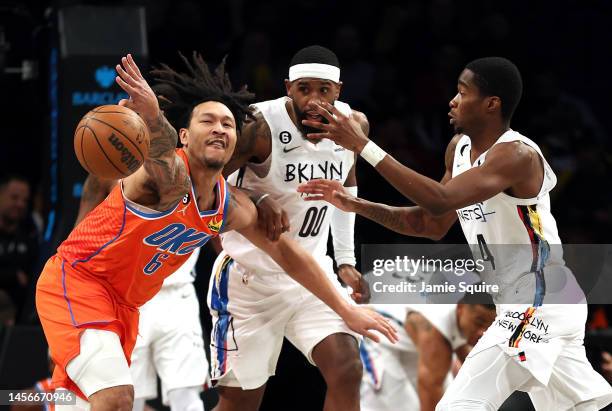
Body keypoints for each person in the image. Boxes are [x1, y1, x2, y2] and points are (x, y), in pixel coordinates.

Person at [35, 53, 396, 411]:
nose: (220, 128)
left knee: (88, 403)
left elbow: (289, 254)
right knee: (117, 399)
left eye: (227, 123)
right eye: (207, 121)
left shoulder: (230, 206)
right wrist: (151, 115)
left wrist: (346, 311)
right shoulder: (167, 179)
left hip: (125, 301)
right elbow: (159, 156)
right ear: (184, 136)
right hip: (80, 281)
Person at [297, 57, 612, 410]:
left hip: (541, 294)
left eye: (463, 92)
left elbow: (439, 198)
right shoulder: (459, 149)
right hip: (533, 300)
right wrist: (357, 205)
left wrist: (364, 147)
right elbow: (430, 224)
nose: (453, 100)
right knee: (585, 406)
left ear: (492, 104)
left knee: (458, 406)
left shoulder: (516, 154)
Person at [209, 45, 369, 411]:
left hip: (312, 276)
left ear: (339, 90)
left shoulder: (354, 125)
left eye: (324, 90)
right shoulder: (258, 126)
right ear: (288, 88)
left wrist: (344, 259)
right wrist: (257, 200)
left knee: (347, 369)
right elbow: (207, 182)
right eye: (304, 89)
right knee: (240, 405)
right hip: (251, 282)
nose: (314, 100)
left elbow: (347, 185)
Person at [74, 176, 208, 411]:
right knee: (128, 400)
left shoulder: (194, 167)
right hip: (126, 299)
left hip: (179, 295)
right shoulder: (106, 171)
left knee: (187, 398)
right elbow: (78, 242)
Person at [360, 298, 496, 411]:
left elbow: (471, 367)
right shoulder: (437, 336)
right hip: (378, 340)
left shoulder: (463, 317)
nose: (482, 332)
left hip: (412, 345)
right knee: (407, 407)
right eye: (479, 322)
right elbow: (429, 390)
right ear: (460, 308)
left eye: (489, 326)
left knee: (453, 402)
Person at [0, 174, 39, 319]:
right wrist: (13, 275)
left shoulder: (30, 238)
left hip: (18, 321)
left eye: (25, 200)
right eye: (14, 198)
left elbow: (29, 281)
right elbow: (19, 278)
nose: (20, 204)